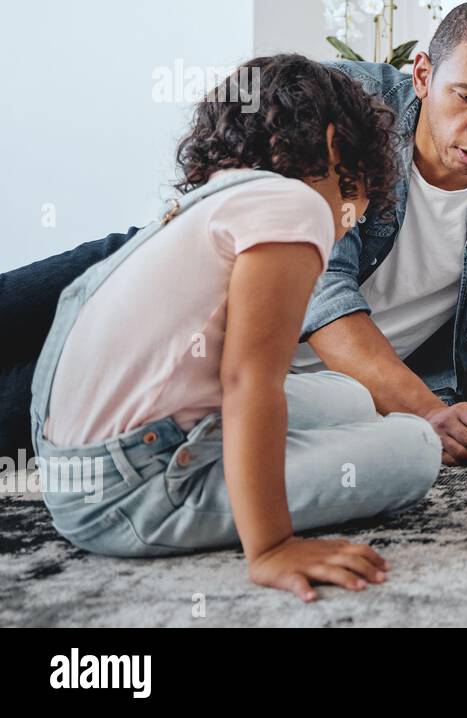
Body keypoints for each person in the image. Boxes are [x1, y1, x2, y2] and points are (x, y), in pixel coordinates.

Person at [2, 0, 467, 463]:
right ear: (423, 74)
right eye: (466, 97)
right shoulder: (350, 114)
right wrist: (424, 411)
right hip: (174, 299)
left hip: (249, 383)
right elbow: (325, 291)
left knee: (44, 417)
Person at [33, 54, 435, 600]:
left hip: (80, 461)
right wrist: (271, 546)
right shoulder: (297, 207)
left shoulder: (220, 197)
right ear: (338, 144)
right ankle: (255, 516)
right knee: (414, 446)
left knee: (350, 395)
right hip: (128, 493)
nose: (361, 216)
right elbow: (249, 382)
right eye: (367, 188)